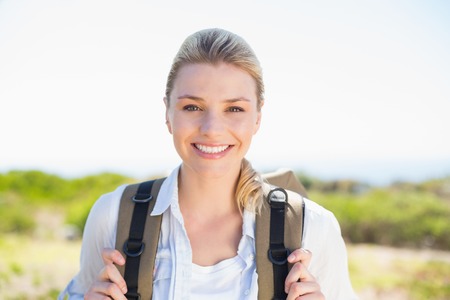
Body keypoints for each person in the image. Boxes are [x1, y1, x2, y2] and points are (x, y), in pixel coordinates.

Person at [59, 28, 357, 299]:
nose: (212, 128)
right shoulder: (113, 216)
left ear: (258, 117)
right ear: (167, 113)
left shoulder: (312, 228)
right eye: (192, 106)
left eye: (234, 108)